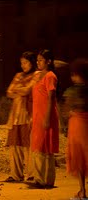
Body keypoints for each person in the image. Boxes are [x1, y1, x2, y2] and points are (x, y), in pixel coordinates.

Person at [4, 51, 40, 182]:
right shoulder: (18, 75)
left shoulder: (36, 75)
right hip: (15, 115)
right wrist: (21, 90)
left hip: (28, 114)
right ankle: (15, 174)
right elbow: (9, 92)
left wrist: (18, 90)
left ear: (31, 62)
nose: (23, 65)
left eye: (26, 62)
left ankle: (31, 174)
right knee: (15, 145)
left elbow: (27, 90)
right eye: (22, 63)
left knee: (28, 145)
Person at [30, 49, 59, 188]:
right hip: (37, 116)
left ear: (48, 61)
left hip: (46, 116)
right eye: (37, 60)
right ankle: (40, 178)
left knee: (46, 147)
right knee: (38, 146)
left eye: (41, 60)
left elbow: (51, 98)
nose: (38, 62)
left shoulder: (50, 76)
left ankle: (45, 180)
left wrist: (47, 118)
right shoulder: (39, 76)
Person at [63, 58, 88, 199]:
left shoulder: (74, 90)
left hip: (78, 125)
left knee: (79, 159)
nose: (72, 77)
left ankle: (82, 191)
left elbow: (68, 108)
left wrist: (71, 113)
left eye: (74, 74)